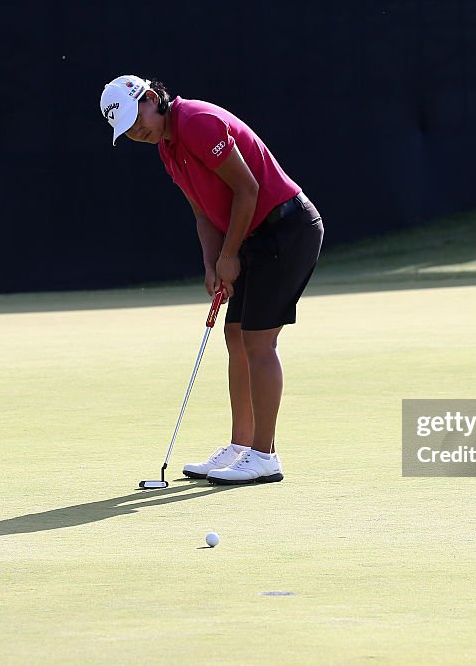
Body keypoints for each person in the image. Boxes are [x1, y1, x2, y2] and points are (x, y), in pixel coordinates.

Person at [100, 75, 324, 485]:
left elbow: (248, 189)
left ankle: (265, 455)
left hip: (286, 227)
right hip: (254, 236)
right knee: (235, 335)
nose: (136, 132)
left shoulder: (196, 121)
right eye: (127, 130)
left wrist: (229, 254)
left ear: (152, 98)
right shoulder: (168, 149)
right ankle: (241, 448)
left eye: (137, 119)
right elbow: (203, 212)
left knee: (258, 341)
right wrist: (211, 262)